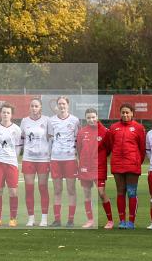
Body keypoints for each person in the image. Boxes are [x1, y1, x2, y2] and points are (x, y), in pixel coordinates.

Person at [109, 104, 146, 229]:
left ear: (132, 114)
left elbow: (142, 148)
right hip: (118, 164)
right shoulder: (114, 128)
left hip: (132, 164)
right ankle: (122, 221)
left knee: (131, 192)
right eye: (123, 112)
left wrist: (136, 161)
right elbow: (110, 144)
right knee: (120, 192)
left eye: (127, 112)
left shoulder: (139, 128)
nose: (125, 115)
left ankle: (131, 221)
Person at [76, 108, 113, 229]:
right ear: (86, 119)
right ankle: (90, 220)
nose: (91, 120)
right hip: (85, 167)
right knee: (87, 194)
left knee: (101, 193)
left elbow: (108, 149)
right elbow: (79, 149)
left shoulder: (105, 132)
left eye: (93, 117)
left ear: (97, 117)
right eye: (88, 118)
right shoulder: (82, 132)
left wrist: (99, 158)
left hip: (98, 167)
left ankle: (110, 220)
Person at [47, 96, 79, 227]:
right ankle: (57, 219)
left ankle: (70, 220)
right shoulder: (51, 120)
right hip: (55, 159)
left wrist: (78, 156)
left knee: (71, 189)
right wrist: (49, 157)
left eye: (64, 104)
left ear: (68, 105)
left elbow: (77, 140)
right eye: (59, 104)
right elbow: (49, 140)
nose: (61, 106)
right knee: (57, 190)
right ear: (57, 105)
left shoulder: (75, 120)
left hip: (70, 159)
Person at [0, 103, 22, 227]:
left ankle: (13, 218)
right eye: (3, 112)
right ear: (0, 114)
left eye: (8, 112)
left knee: (13, 192)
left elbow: (19, 147)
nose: (6, 114)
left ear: (11, 114)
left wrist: (13, 158)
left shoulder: (17, 129)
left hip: (12, 163)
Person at [20, 98, 50, 227]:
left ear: (40, 107)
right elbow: (21, 139)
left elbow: (51, 138)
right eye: (32, 106)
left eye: (36, 106)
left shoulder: (47, 120)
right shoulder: (24, 121)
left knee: (43, 188)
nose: (34, 108)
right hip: (28, 159)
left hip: (43, 159)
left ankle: (44, 218)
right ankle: (31, 218)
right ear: (29, 107)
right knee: (29, 189)